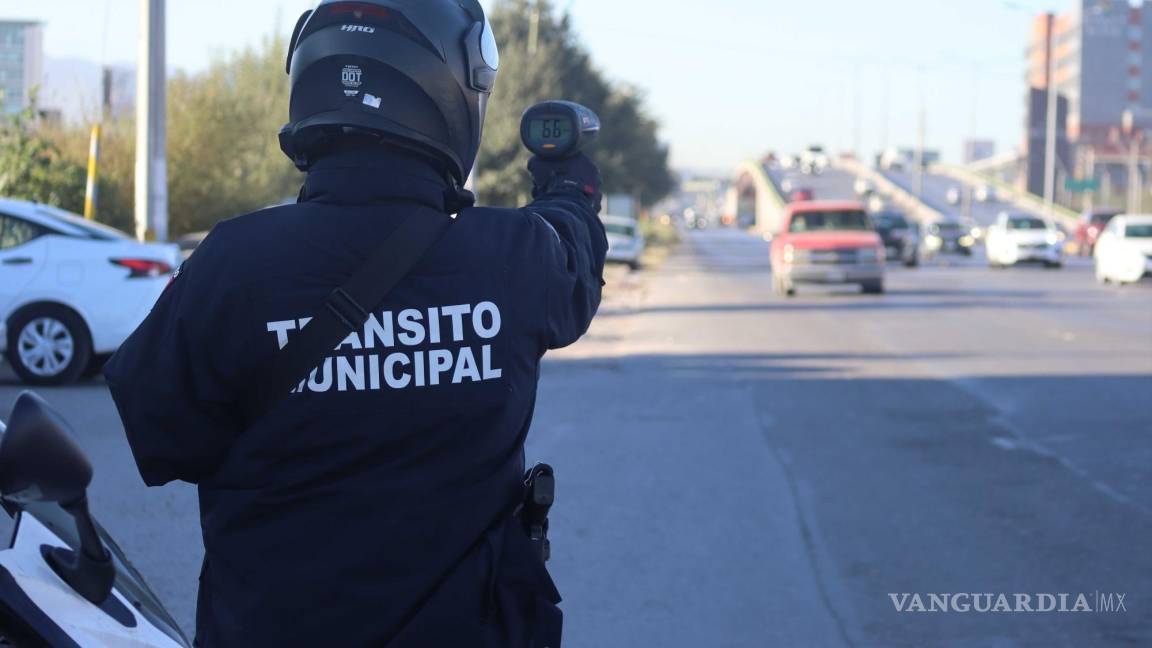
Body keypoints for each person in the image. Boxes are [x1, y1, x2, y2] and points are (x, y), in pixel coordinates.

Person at [103, 1, 607, 645]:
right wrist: (570, 187)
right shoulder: (512, 257)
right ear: (454, 90)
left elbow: (164, 437)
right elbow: (576, 253)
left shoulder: (230, 263)